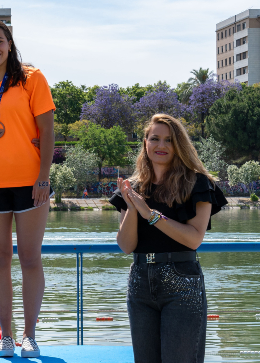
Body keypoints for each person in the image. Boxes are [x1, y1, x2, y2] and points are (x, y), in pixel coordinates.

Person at [0, 19, 56, 358]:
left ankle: (30, 336)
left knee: (31, 258)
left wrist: (44, 177)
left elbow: (47, 131)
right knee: (0, 260)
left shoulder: (32, 78)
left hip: (30, 184)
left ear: (9, 43)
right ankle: (6, 336)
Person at [110, 114, 227, 363]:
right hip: (140, 282)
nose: (161, 145)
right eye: (155, 138)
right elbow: (126, 245)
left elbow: (194, 239)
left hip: (182, 282)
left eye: (169, 140)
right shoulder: (131, 187)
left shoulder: (198, 184)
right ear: (145, 143)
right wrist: (132, 206)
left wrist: (150, 214)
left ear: (179, 146)